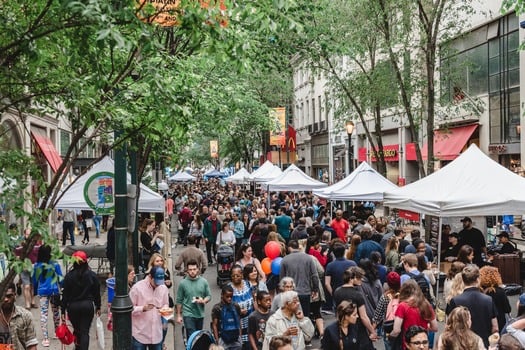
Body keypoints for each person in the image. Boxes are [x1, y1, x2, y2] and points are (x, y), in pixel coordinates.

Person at [446, 264, 498, 347]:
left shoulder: (455, 301)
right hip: (483, 343)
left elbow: (449, 325)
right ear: (478, 279)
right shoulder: (488, 300)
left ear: (463, 280)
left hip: (461, 344)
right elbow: (495, 327)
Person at [61, 250, 101, 350]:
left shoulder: (69, 276)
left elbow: (65, 294)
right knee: (84, 331)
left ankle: (78, 347)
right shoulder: (92, 275)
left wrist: (62, 310)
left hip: (73, 307)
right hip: (87, 306)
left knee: (77, 330)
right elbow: (96, 291)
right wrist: (98, 306)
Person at [333, 267, 378, 348]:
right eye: (359, 278)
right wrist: (372, 331)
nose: (361, 280)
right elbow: (363, 317)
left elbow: (337, 311)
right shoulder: (357, 294)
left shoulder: (337, 291)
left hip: (343, 325)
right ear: (352, 278)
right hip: (357, 327)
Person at [129, 266, 170, 349]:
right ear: (150, 277)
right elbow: (129, 309)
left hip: (156, 334)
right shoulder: (137, 288)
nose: (158, 285)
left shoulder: (163, 288)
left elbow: (166, 304)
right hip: (140, 334)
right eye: (156, 282)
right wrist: (143, 308)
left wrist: (165, 310)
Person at [390, 280, 438, 349]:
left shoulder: (402, 306)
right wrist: (425, 327)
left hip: (410, 345)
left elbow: (396, 330)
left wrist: (390, 336)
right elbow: (435, 328)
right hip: (423, 345)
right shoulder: (426, 304)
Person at [279, 239, 319, 319]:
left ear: (289, 248)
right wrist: (315, 289)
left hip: (290, 294)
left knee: (291, 317)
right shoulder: (308, 258)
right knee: (304, 317)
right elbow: (314, 275)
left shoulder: (285, 260)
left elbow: (282, 279)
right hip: (305, 292)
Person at [32, 244, 62, 347]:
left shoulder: (37, 266)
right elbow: (60, 278)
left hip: (43, 292)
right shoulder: (55, 264)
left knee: (44, 314)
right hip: (54, 291)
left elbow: (35, 280)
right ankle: (57, 332)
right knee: (56, 312)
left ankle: (45, 338)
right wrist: (62, 289)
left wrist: (35, 292)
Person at [175, 260, 212, 341]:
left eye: (194, 269)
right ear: (187, 270)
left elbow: (209, 296)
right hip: (188, 313)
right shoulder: (183, 283)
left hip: (200, 314)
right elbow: (179, 300)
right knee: (192, 336)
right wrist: (178, 315)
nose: (192, 271)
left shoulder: (204, 282)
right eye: (190, 270)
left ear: (198, 269)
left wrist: (204, 300)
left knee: (198, 337)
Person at [0, 282, 38, 349]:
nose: (6, 299)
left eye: (9, 296)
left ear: (15, 296)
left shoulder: (25, 316)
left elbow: (32, 344)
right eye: (3, 296)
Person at [372, 271, 401, 350]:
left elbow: (377, 316)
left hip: (388, 328)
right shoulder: (403, 295)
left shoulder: (384, 297)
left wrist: (372, 331)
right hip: (401, 327)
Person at [229, 265, 255, 349]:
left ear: (242, 275)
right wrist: (238, 312)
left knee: (250, 345)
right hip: (237, 324)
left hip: (250, 321)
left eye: (238, 275)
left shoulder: (248, 284)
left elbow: (254, 300)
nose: (235, 278)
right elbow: (225, 307)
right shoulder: (229, 289)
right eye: (233, 276)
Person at [324, 243, 357, 310]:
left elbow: (327, 283)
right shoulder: (352, 263)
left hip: (338, 293)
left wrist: (333, 294)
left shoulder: (330, 265)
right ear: (344, 251)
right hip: (351, 292)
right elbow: (356, 280)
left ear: (333, 253)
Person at [479, 265, 511, 333]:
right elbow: (507, 309)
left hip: (483, 323)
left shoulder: (479, 291)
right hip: (499, 323)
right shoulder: (500, 292)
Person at [212, 285, 242, 350]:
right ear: (222, 295)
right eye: (227, 297)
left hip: (235, 338)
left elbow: (239, 321)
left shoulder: (236, 306)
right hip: (222, 339)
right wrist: (217, 340)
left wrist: (240, 337)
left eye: (231, 297)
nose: (229, 299)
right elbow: (214, 325)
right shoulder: (217, 308)